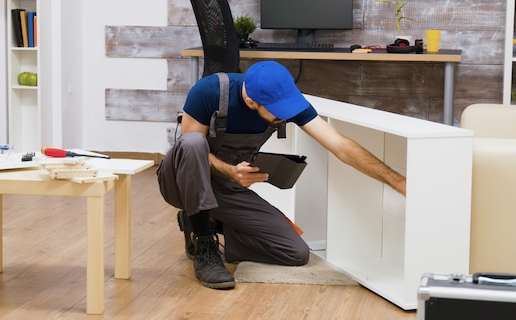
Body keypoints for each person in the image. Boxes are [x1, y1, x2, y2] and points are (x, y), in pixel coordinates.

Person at [156, 61, 406, 290]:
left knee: (295, 252)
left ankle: (205, 221)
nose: (285, 116)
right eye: (277, 113)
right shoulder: (209, 91)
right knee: (193, 143)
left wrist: (397, 181)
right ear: (252, 102)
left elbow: (340, 146)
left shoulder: (284, 100)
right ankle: (204, 242)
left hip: (225, 189)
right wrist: (231, 172)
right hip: (179, 181)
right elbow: (189, 151)